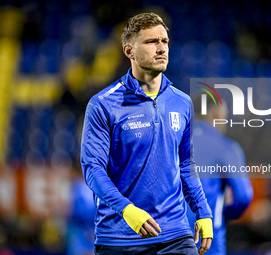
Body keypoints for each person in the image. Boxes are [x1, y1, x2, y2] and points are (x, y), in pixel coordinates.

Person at [80, 12, 213, 255]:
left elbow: (185, 163)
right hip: (119, 239)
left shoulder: (182, 102)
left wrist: (203, 212)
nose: (161, 48)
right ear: (129, 51)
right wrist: (127, 210)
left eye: (165, 41)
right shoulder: (103, 105)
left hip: (175, 234)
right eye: (152, 42)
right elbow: (92, 169)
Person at [186, 96, 253, 254]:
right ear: (216, 114)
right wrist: (226, 214)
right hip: (206, 240)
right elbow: (243, 197)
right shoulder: (227, 148)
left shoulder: (170, 143)